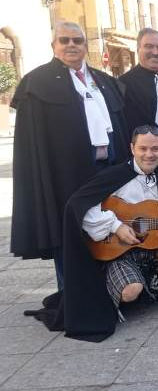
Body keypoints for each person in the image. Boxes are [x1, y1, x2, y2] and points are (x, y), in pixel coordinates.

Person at [28, 126, 158, 342]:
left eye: (155, 148)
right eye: (143, 148)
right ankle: (118, 285)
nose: (149, 154)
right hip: (121, 253)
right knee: (130, 292)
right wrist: (116, 226)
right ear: (132, 148)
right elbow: (79, 207)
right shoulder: (114, 177)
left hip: (156, 246)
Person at [10, 22, 129, 289]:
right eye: (64, 40)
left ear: (86, 45)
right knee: (70, 234)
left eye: (77, 40)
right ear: (54, 46)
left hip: (106, 168)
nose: (71, 45)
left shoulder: (104, 81)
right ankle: (72, 295)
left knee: (108, 231)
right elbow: (35, 142)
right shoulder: (37, 83)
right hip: (65, 173)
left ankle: (109, 289)